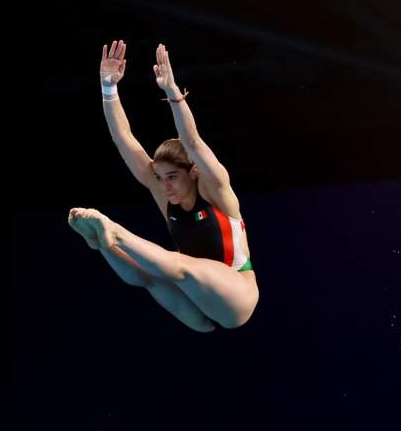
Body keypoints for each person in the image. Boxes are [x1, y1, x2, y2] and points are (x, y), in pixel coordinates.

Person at [68, 40, 258, 331]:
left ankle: (114, 231)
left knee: (180, 266)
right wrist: (109, 88)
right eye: (160, 177)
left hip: (236, 296)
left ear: (193, 172)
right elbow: (124, 140)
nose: (165, 186)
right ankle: (100, 241)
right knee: (145, 276)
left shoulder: (216, 191)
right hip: (196, 308)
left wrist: (172, 93)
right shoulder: (162, 191)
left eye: (172, 177)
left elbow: (192, 143)